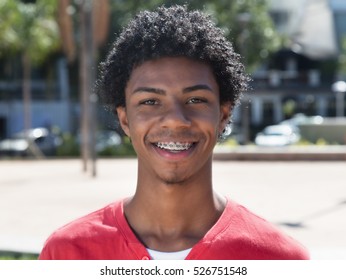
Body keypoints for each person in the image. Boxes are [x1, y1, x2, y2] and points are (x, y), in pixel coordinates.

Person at [39, 5, 309, 260]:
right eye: (150, 102)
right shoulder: (66, 253)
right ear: (125, 120)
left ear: (223, 116)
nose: (175, 120)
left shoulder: (280, 259)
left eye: (195, 100)